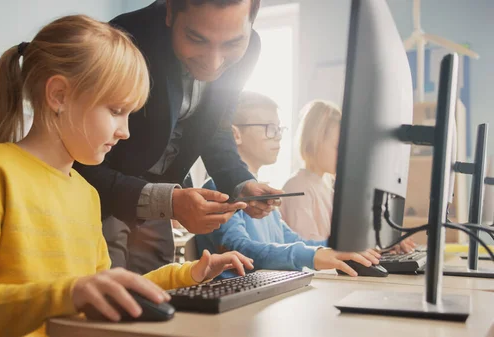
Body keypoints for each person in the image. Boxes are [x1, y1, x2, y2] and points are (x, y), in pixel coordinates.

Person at [0, 15, 253, 337]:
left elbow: (105, 288)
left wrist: (188, 275)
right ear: (59, 95)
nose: (126, 132)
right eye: (117, 111)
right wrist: (70, 293)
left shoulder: (85, 194)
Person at [74, 0, 284, 275]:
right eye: (196, 39)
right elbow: (85, 159)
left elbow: (215, 126)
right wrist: (168, 201)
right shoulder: (127, 37)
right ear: (170, 11)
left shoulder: (249, 50)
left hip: (164, 198)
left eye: (232, 44)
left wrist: (240, 182)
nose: (214, 62)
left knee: (158, 297)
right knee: (110, 297)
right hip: (102, 191)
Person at [195, 92, 380, 277]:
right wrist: (313, 256)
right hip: (235, 298)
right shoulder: (218, 191)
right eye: (269, 128)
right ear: (235, 134)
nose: (278, 136)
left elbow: (290, 240)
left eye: (278, 129)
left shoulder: (262, 192)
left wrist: (346, 249)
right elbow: (241, 250)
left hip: (262, 292)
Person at [280, 100, 415, 252]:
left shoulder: (326, 188)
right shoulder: (298, 188)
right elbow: (311, 249)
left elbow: (342, 241)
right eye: (338, 147)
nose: (345, 155)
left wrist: (383, 244)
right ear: (314, 142)